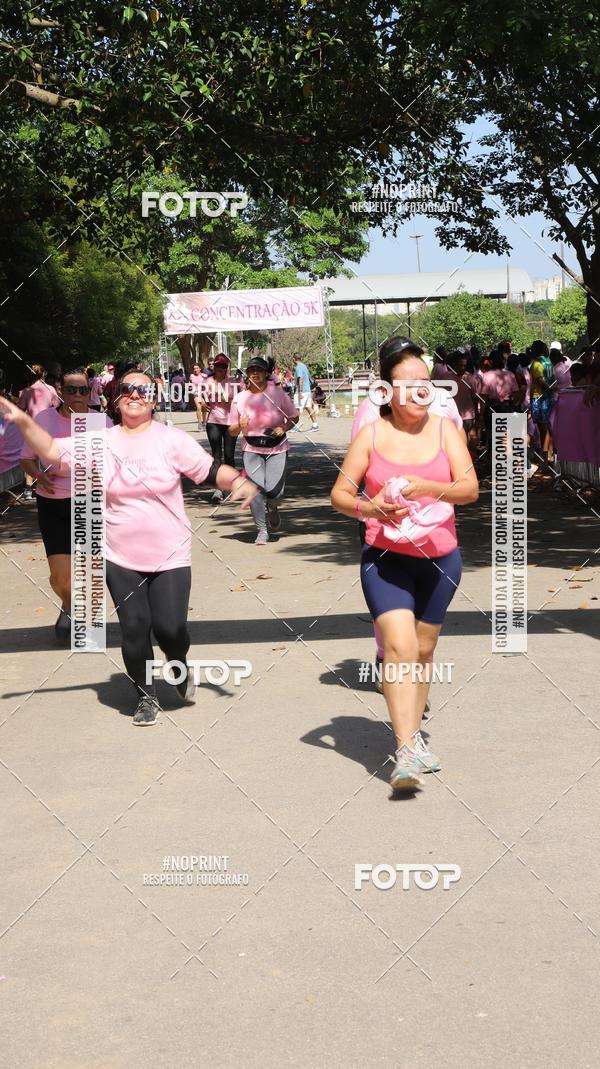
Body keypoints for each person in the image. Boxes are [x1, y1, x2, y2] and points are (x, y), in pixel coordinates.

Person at [2, 368, 257, 724]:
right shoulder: (100, 441)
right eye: (128, 389)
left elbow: (212, 470)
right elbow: (48, 449)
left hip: (170, 554)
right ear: (115, 398)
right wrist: (22, 420)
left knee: (171, 630)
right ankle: (146, 696)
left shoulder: (172, 439)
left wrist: (239, 482)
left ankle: (178, 661)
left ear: (154, 399)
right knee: (135, 627)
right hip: (119, 555)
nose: (135, 395)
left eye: (144, 390)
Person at [331, 336, 478, 792]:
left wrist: (426, 487)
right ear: (385, 392)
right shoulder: (372, 435)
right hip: (385, 561)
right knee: (400, 649)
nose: (419, 392)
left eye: (425, 384)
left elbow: (470, 490)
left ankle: (413, 737)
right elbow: (338, 494)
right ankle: (406, 751)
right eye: (408, 384)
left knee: (425, 651)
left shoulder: (444, 431)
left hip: (440, 560)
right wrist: (369, 510)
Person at [20, 367, 112, 641]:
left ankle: (84, 619)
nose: (77, 395)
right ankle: (69, 604)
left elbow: (116, 461)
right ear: (60, 391)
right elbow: (26, 457)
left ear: (91, 392)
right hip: (52, 503)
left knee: (87, 568)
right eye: (70, 389)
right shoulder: (44, 419)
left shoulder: (101, 422)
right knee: (60, 577)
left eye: (83, 390)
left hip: (90, 502)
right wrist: (37, 474)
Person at [229, 356, 299, 544]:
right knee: (256, 490)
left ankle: (273, 508)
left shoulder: (278, 394)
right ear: (247, 375)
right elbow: (231, 430)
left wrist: (283, 428)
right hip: (252, 449)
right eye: (251, 370)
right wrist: (239, 425)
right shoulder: (240, 398)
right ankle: (262, 530)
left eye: (259, 370)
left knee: (275, 492)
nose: (255, 373)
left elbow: (294, 416)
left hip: (277, 447)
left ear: (266, 373)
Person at [201, 354, 237, 503]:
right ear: (214, 367)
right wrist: (202, 402)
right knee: (216, 456)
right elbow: (201, 397)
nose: (221, 369)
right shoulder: (207, 381)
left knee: (229, 456)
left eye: (224, 366)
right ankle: (218, 488)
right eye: (218, 366)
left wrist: (220, 394)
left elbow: (232, 402)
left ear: (227, 368)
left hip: (230, 422)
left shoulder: (232, 382)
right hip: (214, 421)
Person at [293, 353, 319, 431]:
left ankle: (295, 426)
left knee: (297, 408)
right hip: (307, 390)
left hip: (302, 391)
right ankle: (315, 425)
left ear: (294, 359)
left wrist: (300, 391)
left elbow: (301, 378)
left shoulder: (298, 367)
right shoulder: (304, 366)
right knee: (308, 408)